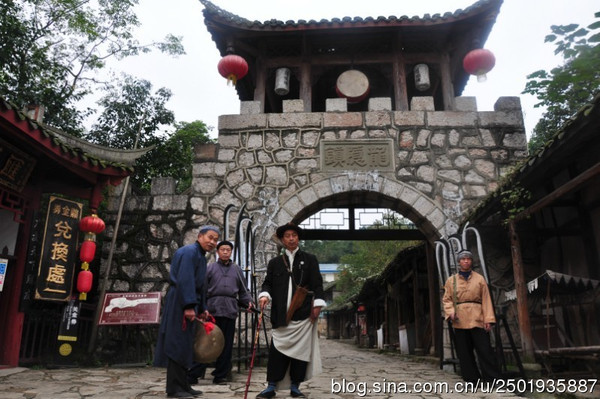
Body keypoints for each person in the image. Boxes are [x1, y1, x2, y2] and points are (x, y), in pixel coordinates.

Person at [256, 223, 325, 399]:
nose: (291, 238)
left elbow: (317, 284)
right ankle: (271, 386)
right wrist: (265, 295)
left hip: (302, 315)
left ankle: (295, 386)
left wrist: (317, 304)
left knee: (300, 354)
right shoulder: (275, 263)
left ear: (298, 238)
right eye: (287, 236)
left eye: (294, 235)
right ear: (282, 239)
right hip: (281, 315)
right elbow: (268, 283)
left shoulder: (310, 259)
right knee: (276, 353)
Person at [153, 225, 220, 398]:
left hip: (188, 301)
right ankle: (175, 388)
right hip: (180, 302)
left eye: (215, 239)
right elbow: (185, 280)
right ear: (200, 236)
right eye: (210, 237)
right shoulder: (189, 252)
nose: (212, 242)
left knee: (186, 344)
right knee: (177, 343)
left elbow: (201, 286)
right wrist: (189, 306)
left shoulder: (200, 256)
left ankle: (184, 385)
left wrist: (202, 307)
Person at [188, 240, 254, 385]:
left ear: (231, 252)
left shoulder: (237, 270)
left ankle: (220, 375)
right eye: (222, 250)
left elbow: (243, 291)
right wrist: (202, 307)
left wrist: (248, 302)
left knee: (226, 344)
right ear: (217, 252)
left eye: (228, 250)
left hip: (230, 310)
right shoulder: (210, 268)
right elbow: (202, 289)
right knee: (205, 342)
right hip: (212, 310)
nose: (225, 252)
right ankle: (193, 374)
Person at [442, 250, 502, 383]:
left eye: (468, 259)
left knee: (485, 350)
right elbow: (447, 299)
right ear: (459, 262)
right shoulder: (451, 281)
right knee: (464, 352)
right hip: (460, 319)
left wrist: (488, 319)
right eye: (463, 259)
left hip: (477, 317)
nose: (466, 261)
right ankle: (472, 379)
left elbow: (486, 299)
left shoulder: (479, 279)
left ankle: (492, 379)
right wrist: (450, 312)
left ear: (471, 261)